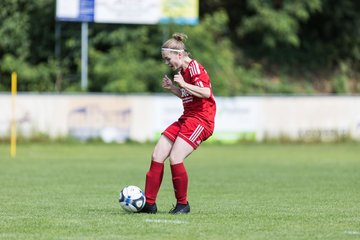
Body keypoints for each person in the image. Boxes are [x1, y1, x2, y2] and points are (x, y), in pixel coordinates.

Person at [140, 32, 216, 214]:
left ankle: (183, 204)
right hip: (187, 117)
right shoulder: (182, 72)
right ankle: (149, 204)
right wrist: (173, 88)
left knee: (175, 158)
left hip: (201, 120)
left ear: (179, 54)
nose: (167, 63)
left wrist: (182, 84)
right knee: (157, 154)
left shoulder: (195, 68)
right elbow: (188, 95)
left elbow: (206, 93)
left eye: (168, 59)